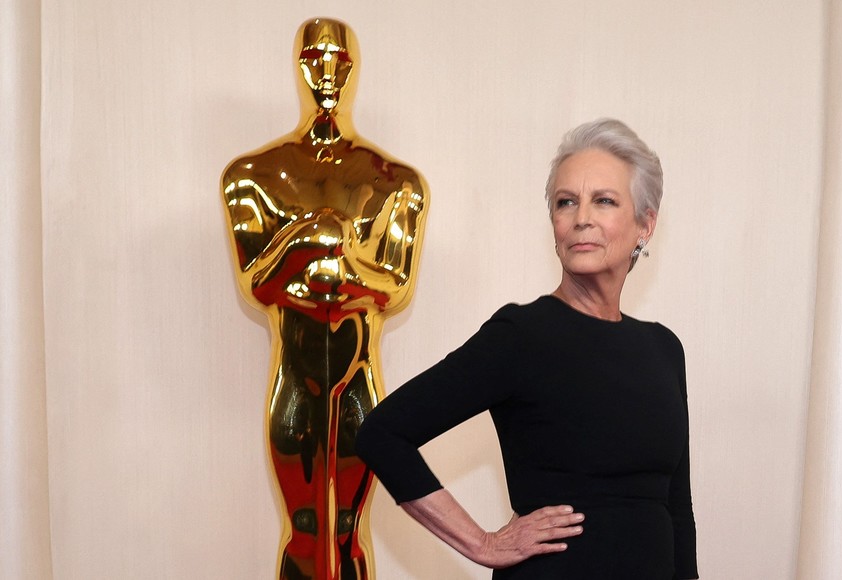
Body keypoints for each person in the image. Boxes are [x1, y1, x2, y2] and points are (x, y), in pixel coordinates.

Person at [355, 119, 698, 579]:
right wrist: (482, 542)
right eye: (566, 202)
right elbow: (382, 435)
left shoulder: (663, 349)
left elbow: (677, 504)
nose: (581, 218)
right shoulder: (523, 335)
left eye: (604, 201)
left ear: (645, 223)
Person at [221, 18, 428, 580]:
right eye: (315, 59)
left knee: (349, 532)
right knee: (305, 528)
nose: (327, 72)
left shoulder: (395, 182)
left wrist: (343, 265)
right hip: (295, 377)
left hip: (359, 378)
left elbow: (395, 288)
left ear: (354, 70)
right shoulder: (253, 176)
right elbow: (257, 284)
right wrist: (307, 237)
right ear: (298, 67)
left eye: (340, 60)